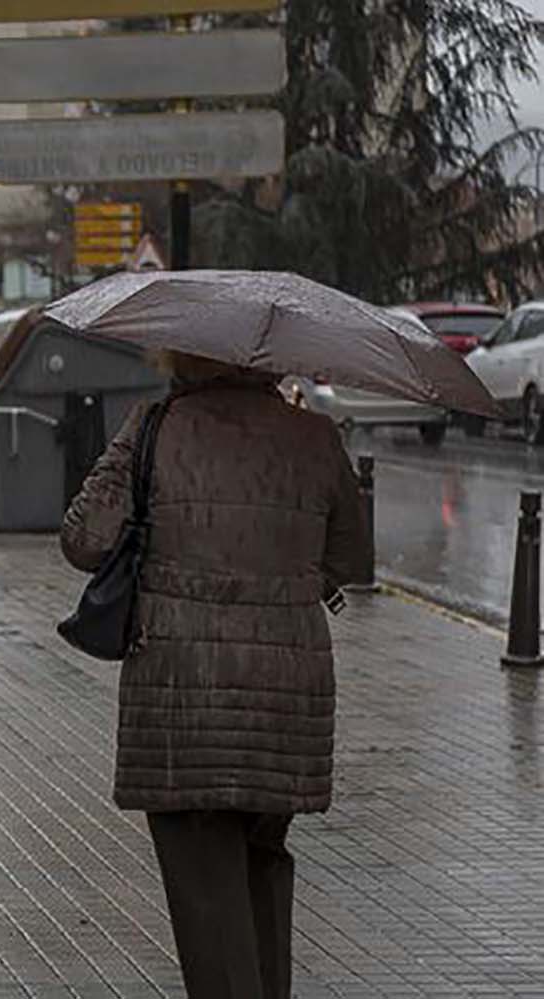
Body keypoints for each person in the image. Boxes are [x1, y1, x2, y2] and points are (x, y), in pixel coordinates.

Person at [60, 351, 369, 999]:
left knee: (206, 888)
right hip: (287, 695)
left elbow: (84, 539)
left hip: (183, 698)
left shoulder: (153, 427)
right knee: (263, 864)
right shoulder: (313, 434)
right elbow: (349, 557)